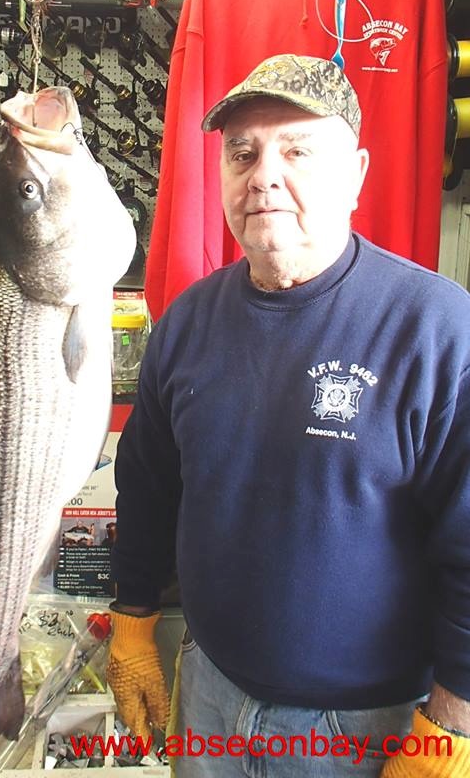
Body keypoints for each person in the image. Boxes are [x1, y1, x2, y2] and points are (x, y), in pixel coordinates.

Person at [106, 54, 470, 776]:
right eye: (241, 152)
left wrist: (449, 727)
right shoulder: (185, 323)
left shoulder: (435, 328)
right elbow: (146, 488)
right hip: (209, 694)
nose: (262, 173)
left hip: (366, 726)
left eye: (297, 149)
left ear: (357, 174)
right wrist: (131, 621)